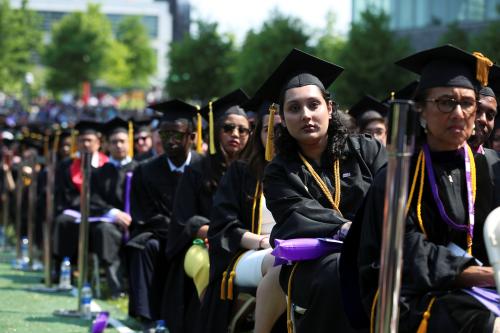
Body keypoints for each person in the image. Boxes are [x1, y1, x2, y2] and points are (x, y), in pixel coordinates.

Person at [355, 45, 500, 332]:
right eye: (446, 102)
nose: (459, 113)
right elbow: (406, 253)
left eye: (468, 103)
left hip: (480, 285)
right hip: (408, 294)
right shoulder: (398, 175)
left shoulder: (486, 169)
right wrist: (485, 275)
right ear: (421, 110)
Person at [261, 49, 387, 333]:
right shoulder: (279, 171)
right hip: (312, 263)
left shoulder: (367, 150)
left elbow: (389, 200)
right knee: (337, 272)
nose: (306, 115)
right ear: (281, 117)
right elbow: (295, 215)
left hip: (373, 252)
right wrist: (346, 229)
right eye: (294, 108)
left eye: (313, 105)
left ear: (329, 109)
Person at [162, 89, 250, 333]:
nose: (236, 134)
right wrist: (216, 234)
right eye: (228, 128)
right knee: (205, 264)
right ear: (215, 131)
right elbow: (184, 220)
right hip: (203, 243)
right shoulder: (198, 169)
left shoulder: (253, 170)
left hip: (244, 244)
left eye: (243, 130)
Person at [202, 96, 286, 333]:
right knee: (281, 262)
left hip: (294, 249)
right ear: (258, 134)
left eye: (281, 130)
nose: (275, 137)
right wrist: (261, 241)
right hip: (248, 252)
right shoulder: (242, 171)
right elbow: (223, 224)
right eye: (268, 129)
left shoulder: (303, 173)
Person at [126, 99, 202, 330]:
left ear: (192, 136)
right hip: (162, 235)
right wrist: (175, 232)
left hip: (197, 237)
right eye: (164, 134)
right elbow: (144, 214)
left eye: (177, 134)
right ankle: (147, 316)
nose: (170, 140)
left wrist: (187, 233)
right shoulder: (146, 171)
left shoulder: (205, 168)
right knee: (144, 247)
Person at [89, 116, 138, 298]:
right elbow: (94, 201)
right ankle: (116, 288)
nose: (118, 145)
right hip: (110, 223)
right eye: (114, 142)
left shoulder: (141, 169)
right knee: (104, 231)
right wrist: (114, 213)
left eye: (122, 141)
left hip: (136, 221)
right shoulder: (101, 173)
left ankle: (137, 290)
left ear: (129, 142)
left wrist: (133, 217)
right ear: (107, 145)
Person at [52, 120, 108, 271]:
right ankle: (63, 268)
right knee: (62, 221)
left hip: (102, 213)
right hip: (76, 210)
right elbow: (66, 195)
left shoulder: (108, 165)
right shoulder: (67, 165)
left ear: (98, 142)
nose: (86, 144)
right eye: (82, 140)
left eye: (89, 140)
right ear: (77, 143)